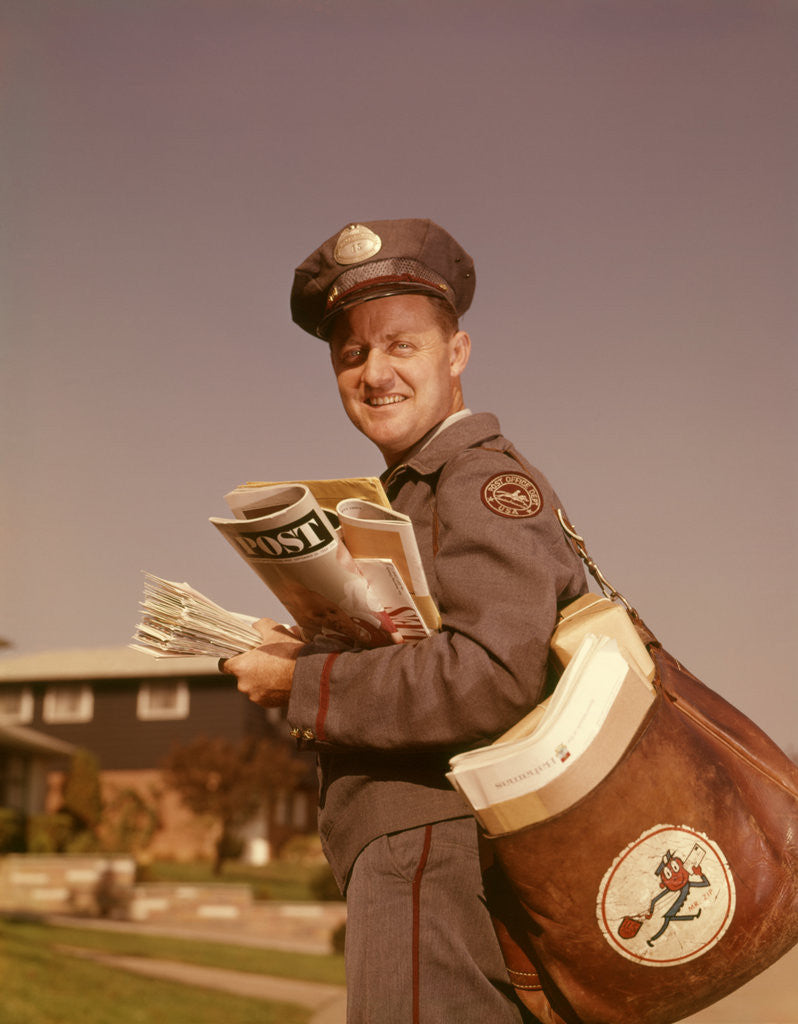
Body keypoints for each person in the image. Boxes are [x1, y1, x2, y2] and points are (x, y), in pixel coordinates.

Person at [222, 218, 587, 1023]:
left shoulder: (476, 481)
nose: (375, 372)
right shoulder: (415, 490)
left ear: (457, 353)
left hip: (434, 851)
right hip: (422, 853)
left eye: (402, 345)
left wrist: (303, 682)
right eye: (352, 354)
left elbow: (491, 673)